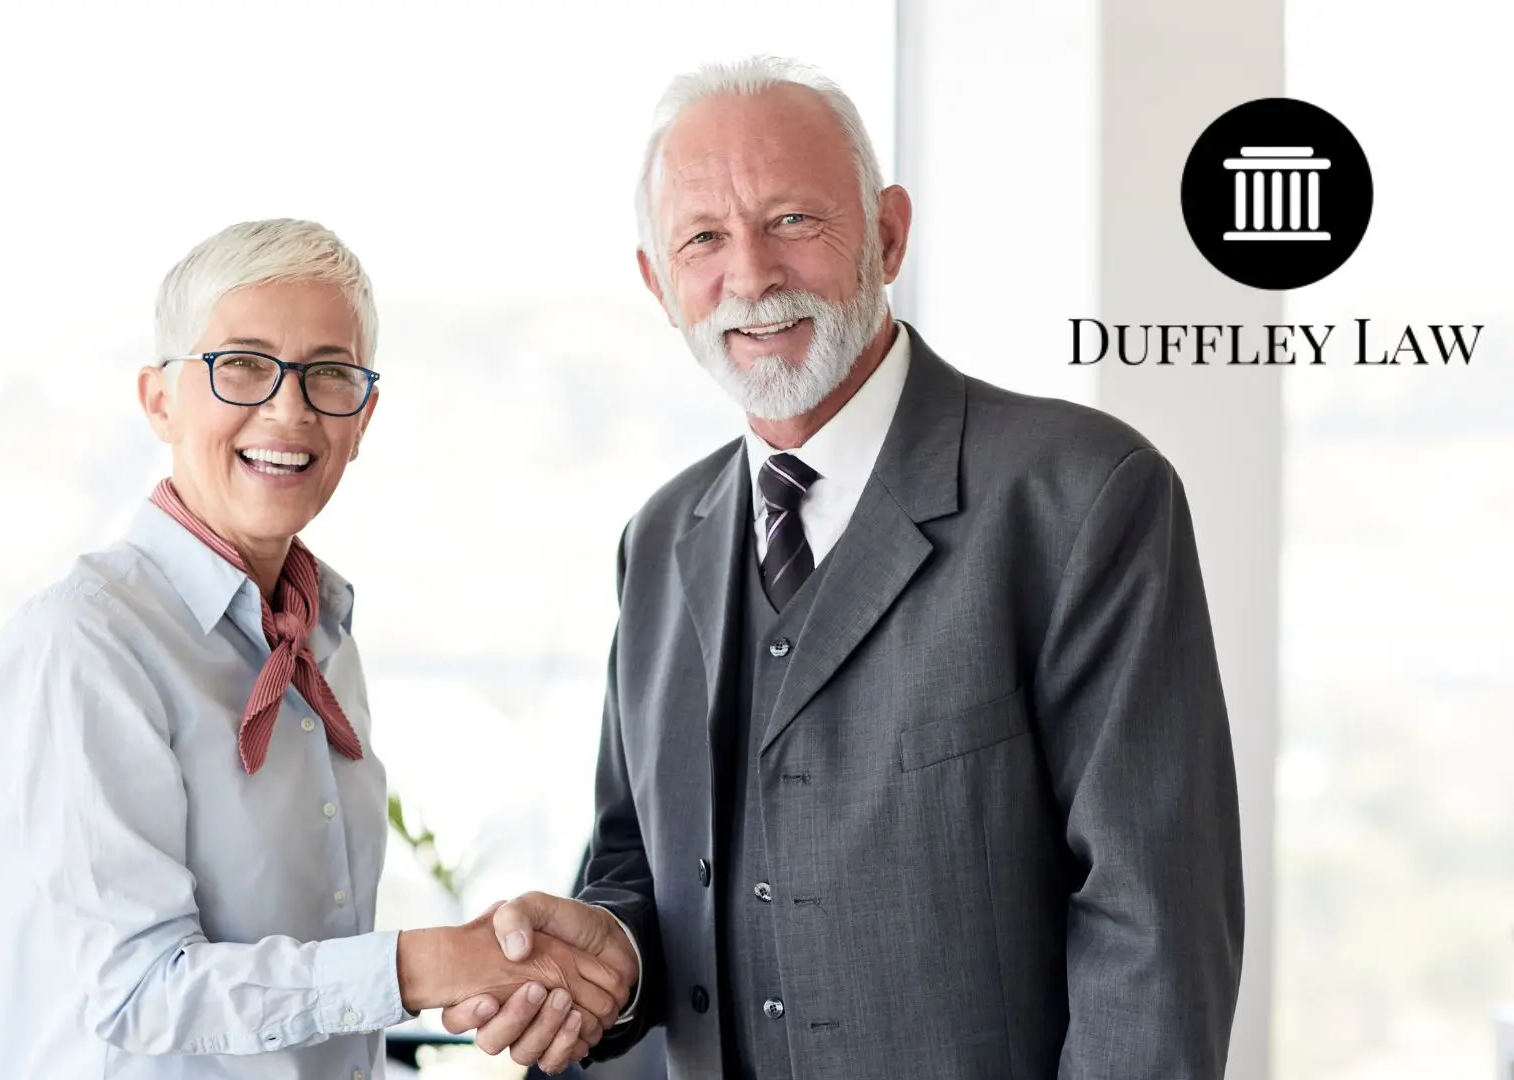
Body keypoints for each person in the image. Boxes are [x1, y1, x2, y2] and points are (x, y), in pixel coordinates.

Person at [444, 57, 1245, 1078]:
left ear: (889, 234)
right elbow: (631, 865)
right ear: (658, 284)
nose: (750, 275)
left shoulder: (1083, 499)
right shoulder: (658, 538)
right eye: (703, 239)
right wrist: (613, 962)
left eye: (792, 221)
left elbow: (1155, 932)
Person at [0, 219, 631, 1079]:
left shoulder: (324, 633)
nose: (289, 409)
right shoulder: (86, 642)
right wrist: (435, 963)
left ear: (363, 419)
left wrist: (496, 973)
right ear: (159, 400)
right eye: (241, 364)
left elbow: (313, 980)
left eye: (329, 373)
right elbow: (139, 991)